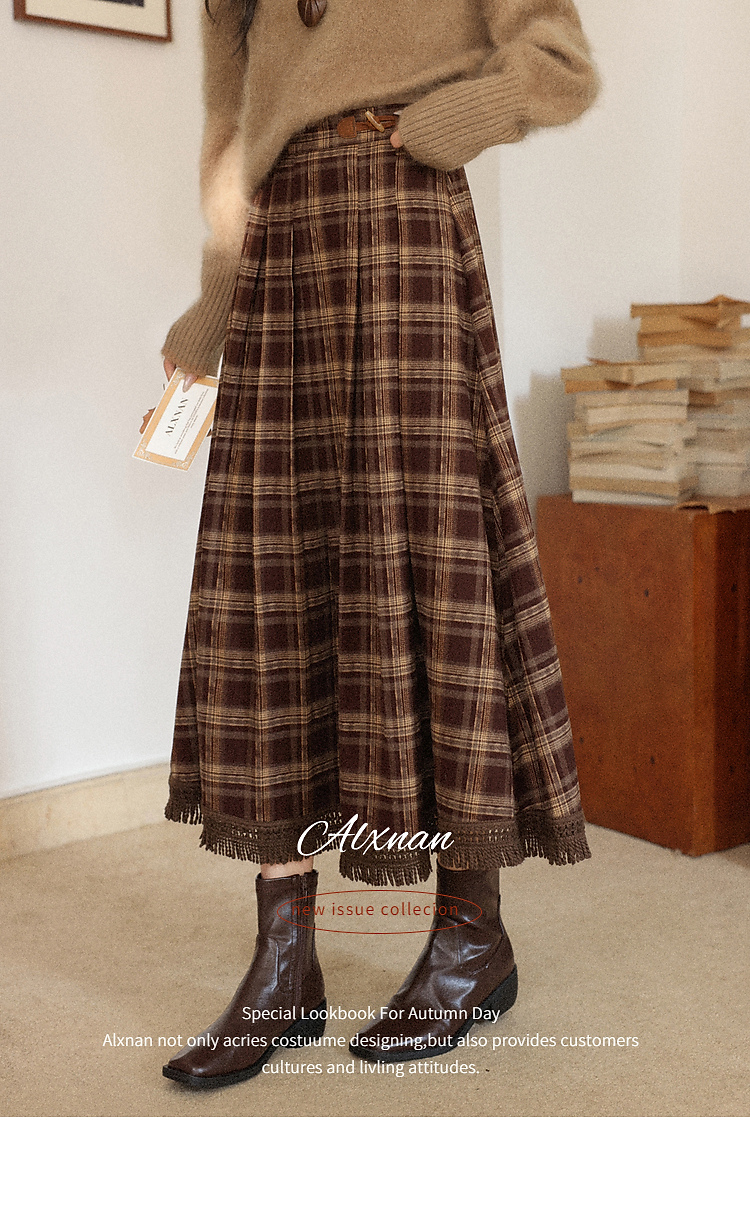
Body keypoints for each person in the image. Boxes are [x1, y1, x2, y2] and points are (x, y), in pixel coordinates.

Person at [159, 0, 599, 1090]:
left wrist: (467, 113)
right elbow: (231, 134)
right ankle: (284, 960)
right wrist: (214, 300)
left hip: (405, 221)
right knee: (274, 586)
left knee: (435, 564)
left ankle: (471, 934)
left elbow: (560, 61)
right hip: (281, 257)